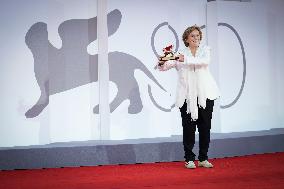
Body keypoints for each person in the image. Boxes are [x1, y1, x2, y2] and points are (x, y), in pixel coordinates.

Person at [157, 25, 220, 169]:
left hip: (205, 96)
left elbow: (204, 62)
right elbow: (163, 67)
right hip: (186, 97)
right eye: (192, 36)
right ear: (186, 39)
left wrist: (183, 58)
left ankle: (203, 158)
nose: (196, 38)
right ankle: (189, 159)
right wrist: (164, 58)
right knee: (188, 129)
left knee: (205, 128)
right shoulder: (179, 54)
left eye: (198, 35)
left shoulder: (205, 50)